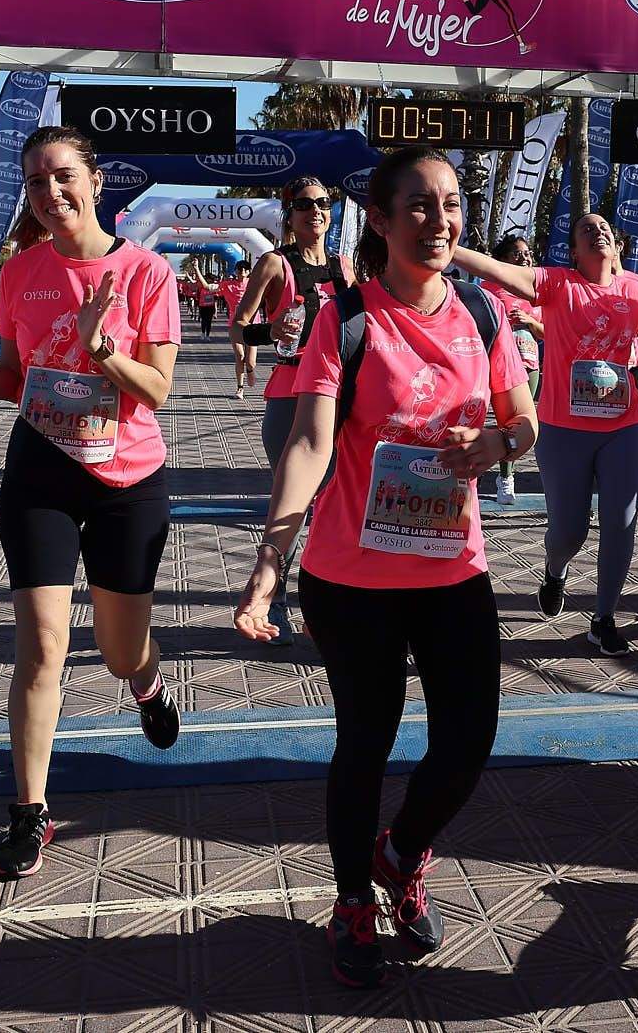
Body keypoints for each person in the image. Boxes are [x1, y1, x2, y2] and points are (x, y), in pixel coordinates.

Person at [232, 145, 537, 989]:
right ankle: (351, 901)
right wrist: (270, 562)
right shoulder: (348, 316)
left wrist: (501, 443)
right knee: (365, 741)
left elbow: (525, 422)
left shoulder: (482, 314)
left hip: (453, 573)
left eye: (449, 205)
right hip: (353, 578)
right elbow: (308, 441)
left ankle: (400, 853)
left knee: (469, 738)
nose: (438, 222)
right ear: (380, 218)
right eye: (418, 206)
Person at [0, 126, 183, 880]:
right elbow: (16, 377)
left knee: (121, 651)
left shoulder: (146, 272)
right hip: (41, 473)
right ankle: (29, 811)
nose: (49, 194)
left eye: (62, 177)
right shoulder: (20, 273)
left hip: (127, 478)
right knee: (42, 644)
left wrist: (104, 351)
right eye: (34, 183)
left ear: (95, 182)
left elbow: (156, 391)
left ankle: (147, 684)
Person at [451, 213, 638, 656]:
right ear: (574, 250)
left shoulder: (633, 287)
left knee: (621, 523)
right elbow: (501, 272)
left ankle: (604, 617)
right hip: (563, 428)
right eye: (586, 229)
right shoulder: (556, 283)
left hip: (624, 428)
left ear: (616, 244)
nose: (599, 231)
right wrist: (448, 246)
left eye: (604, 227)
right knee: (569, 531)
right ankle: (555, 570)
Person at [231, 178, 353, 643]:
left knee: (338, 503)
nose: (315, 212)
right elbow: (239, 328)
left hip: (340, 395)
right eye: (304, 205)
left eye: (323, 203)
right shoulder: (274, 263)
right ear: (290, 213)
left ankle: (330, 600)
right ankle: (276, 597)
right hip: (290, 392)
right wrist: (271, 330)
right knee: (295, 503)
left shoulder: (344, 266)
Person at [481, 231, 543, 507]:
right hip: (493, 360)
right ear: (503, 260)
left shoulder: (534, 293)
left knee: (516, 421)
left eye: (527, 253)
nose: (525, 257)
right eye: (518, 254)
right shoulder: (487, 288)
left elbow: (546, 333)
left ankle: (506, 476)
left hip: (527, 361)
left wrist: (529, 320)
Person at [220, 261, 254, 397]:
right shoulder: (229, 285)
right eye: (240, 270)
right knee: (240, 356)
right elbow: (208, 287)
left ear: (249, 271)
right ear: (235, 271)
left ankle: (250, 371)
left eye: (245, 269)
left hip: (252, 324)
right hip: (235, 325)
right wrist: (197, 269)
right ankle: (240, 387)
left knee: (251, 362)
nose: (242, 272)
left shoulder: (254, 284)